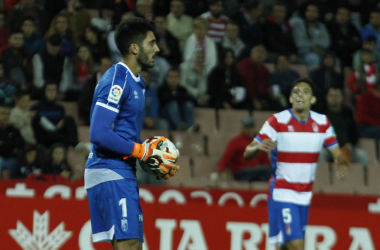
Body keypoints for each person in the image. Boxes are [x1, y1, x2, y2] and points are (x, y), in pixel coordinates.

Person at [84, 17, 178, 249]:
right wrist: (142, 151)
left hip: (123, 170)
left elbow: (124, 132)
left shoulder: (138, 83)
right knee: (128, 244)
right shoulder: (117, 79)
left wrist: (152, 158)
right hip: (109, 169)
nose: (157, 49)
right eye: (151, 43)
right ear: (134, 48)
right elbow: (98, 133)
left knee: (133, 245)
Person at [243, 77, 348, 249]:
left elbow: (336, 152)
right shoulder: (276, 121)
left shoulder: (322, 123)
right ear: (291, 98)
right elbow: (247, 152)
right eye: (296, 92)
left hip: (304, 194)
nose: (300, 95)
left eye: (305, 92)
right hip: (282, 192)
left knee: (288, 246)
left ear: (312, 99)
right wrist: (258, 146)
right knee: (297, 245)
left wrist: (341, 161)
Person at [319, 87, 369, 167]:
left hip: (345, 148)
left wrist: (351, 144)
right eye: (331, 95)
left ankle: (360, 178)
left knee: (362, 156)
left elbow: (354, 133)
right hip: (327, 148)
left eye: (337, 95)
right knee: (320, 154)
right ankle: (323, 178)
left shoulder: (347, 113)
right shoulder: (321, 113)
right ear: (327, 98)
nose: (334, 98)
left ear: (342, 98)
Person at [218, 116, 271, 182]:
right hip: (242, 173)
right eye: (247, 127)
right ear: (242, 129)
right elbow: (226, 158)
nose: (249, 130)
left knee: (268, 172)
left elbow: (265, 161)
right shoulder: (236, 142)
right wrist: (222, 170)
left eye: (251, 127)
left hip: (258, 172)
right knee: (265, 172)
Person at [290, 2, 330, 69]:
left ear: (318, 14)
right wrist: (318, 39)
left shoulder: (321, 26)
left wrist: (309, 40)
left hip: (320, 53)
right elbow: (300, 43)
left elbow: (326, 43)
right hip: (303, 53)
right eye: (309, 11)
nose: (311, 14)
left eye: (314, 11)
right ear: (305, 12)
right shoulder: (299, 24)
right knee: (313, 58)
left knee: (335, 60)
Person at [158, 66, 196, 130]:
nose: (173, 80)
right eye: (170, 77)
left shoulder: (182, 89)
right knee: (173, 104)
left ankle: (190, 127)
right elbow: (165, 100)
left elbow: (193, 100)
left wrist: (176, 96)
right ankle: (180, 126)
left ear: (179, 79)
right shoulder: (162, 89)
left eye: (175, 77)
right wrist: (179, 97)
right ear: (166, 78)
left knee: (188, 105)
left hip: (180, 114)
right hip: (165, 115)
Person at [78, 57, 112, 125]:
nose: (108, 69)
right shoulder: (90, 82)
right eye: (105, 66)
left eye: (110, 66)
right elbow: (83, 104)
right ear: (99, 67)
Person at [0, 104, 25, 179]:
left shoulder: (13, 130)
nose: (6, 116)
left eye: (8, 114)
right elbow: (14, 145)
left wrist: (3, 143)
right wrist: (11, 145)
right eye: (3, 113)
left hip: (12, 159)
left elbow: (21, 144)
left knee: (16, 164)